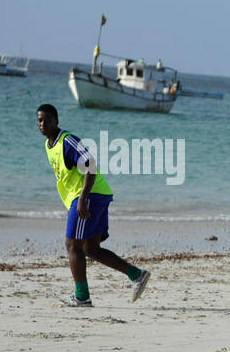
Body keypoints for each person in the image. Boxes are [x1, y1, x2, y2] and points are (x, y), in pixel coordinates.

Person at [36, 104, 150, 307]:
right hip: (95, 195)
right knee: (91, 248)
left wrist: (82, 197)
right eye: (39, 120)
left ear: (56, 120)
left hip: (90, 195)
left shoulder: (67, 141)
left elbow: (91, 165)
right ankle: (137, 275)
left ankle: (82, 297)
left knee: (72, 245)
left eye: (46, 119)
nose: (42, 124)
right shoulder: (48, 145)